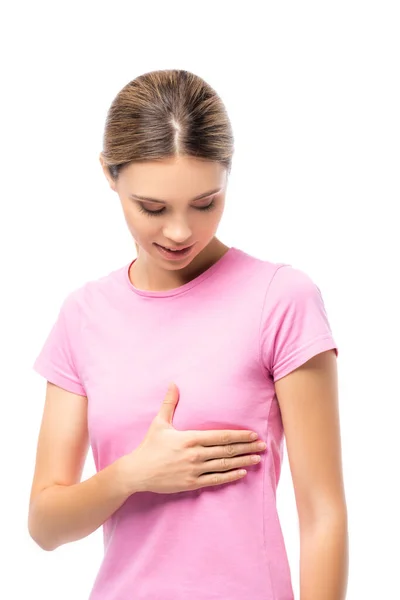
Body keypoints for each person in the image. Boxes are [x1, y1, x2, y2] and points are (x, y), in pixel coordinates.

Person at [28, 69, 348, 600]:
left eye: (205, 203)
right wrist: (133, 474)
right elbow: (44, 525)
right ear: (110, 175)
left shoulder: (280, 299)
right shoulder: (83, 315)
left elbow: (322, 514)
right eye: (152, 208)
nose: (180, 232)